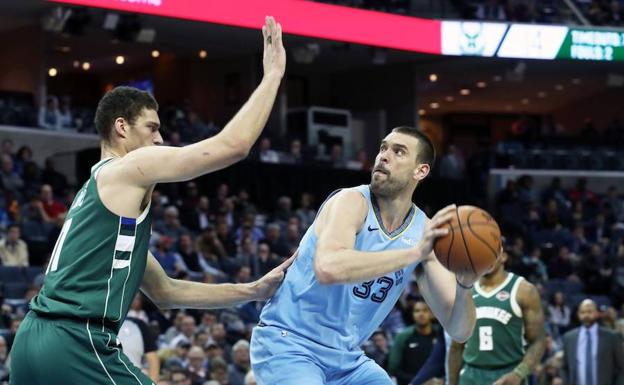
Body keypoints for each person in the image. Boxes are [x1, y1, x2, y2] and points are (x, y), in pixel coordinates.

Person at [10, 16, 288, 385]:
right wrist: (272, 77)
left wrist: (251, 291)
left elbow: (166, 292)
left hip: (32, 342)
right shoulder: (129, 167)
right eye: (152, 128)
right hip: (76, 342)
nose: (160, 140)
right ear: (122, 127)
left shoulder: (99, 197)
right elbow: (232, 147)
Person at [251, 126, 482, 385]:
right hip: (289, 342)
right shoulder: (350, 202)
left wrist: (465, 285)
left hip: (346, 360)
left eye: (399, 152)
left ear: (421, 170)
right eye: (383, 148)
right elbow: (329, 268)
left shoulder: (424, 230)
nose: (384, 156)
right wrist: (413, 253)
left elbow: (460, 330)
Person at [448, 247, 546, 385]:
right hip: (471, 375)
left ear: (503, 257)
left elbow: (539, 341)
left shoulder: (524, 290)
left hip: (509, 372)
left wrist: (519, 374)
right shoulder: (464, 291)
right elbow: (456, 347)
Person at [561, 299, 624, 385]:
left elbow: (621, 367)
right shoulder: (569, 338)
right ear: (578, 315)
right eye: (582, 312)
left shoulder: (612, 337)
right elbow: (564, 367)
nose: (586, 315)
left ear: (597, 313)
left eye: (589, 312)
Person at [388, 299, 440, 385]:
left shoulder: (440, 334)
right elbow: (393, 368)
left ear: (431, 314)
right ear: (412, 315)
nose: (421, 314)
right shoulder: (403, 336)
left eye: (425, 310)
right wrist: (419, 381)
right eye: (417, 311)